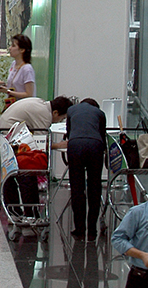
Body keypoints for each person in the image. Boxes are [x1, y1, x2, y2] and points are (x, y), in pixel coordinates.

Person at [58, 98, 107, 240]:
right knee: (94, 187)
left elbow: (69, 132)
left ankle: (79, 228)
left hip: (76, 145)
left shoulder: (71, 110)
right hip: (95, 145)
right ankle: (92, 229)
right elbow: (102, 135)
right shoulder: (100, 113)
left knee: (77, 188)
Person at [0, 33, 37, 101]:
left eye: (13, 46)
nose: (10, 48)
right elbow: (17, 87)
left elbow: (29, 94)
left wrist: (7, 91)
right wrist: (1, 84)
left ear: (22, 50)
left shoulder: (27, 69)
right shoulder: (14, 64)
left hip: (24, 106)